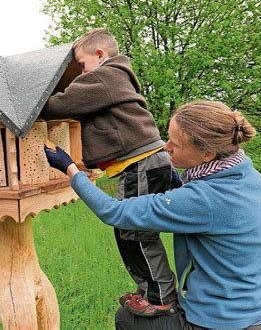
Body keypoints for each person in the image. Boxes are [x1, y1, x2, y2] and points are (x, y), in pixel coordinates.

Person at [44, 100, 261, 329]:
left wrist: (70, 168)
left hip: (221, 322)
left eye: (175, 144)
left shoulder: (204, 199)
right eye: (166, 137)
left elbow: (113, 211)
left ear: (208, 153)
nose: (166, 147)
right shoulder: (250, 177)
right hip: (256, 312)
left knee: (127, 319)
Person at [41, 27, 177, 315]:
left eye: (81, 64)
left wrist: (30, 105)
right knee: (127, 231)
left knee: (136, 233)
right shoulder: (114, 77)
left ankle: (161, 296)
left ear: (100, 55)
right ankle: (148, 288)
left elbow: (60, 104)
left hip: (142, 163)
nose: (80, 73)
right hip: (143, 163)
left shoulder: (105, 76)